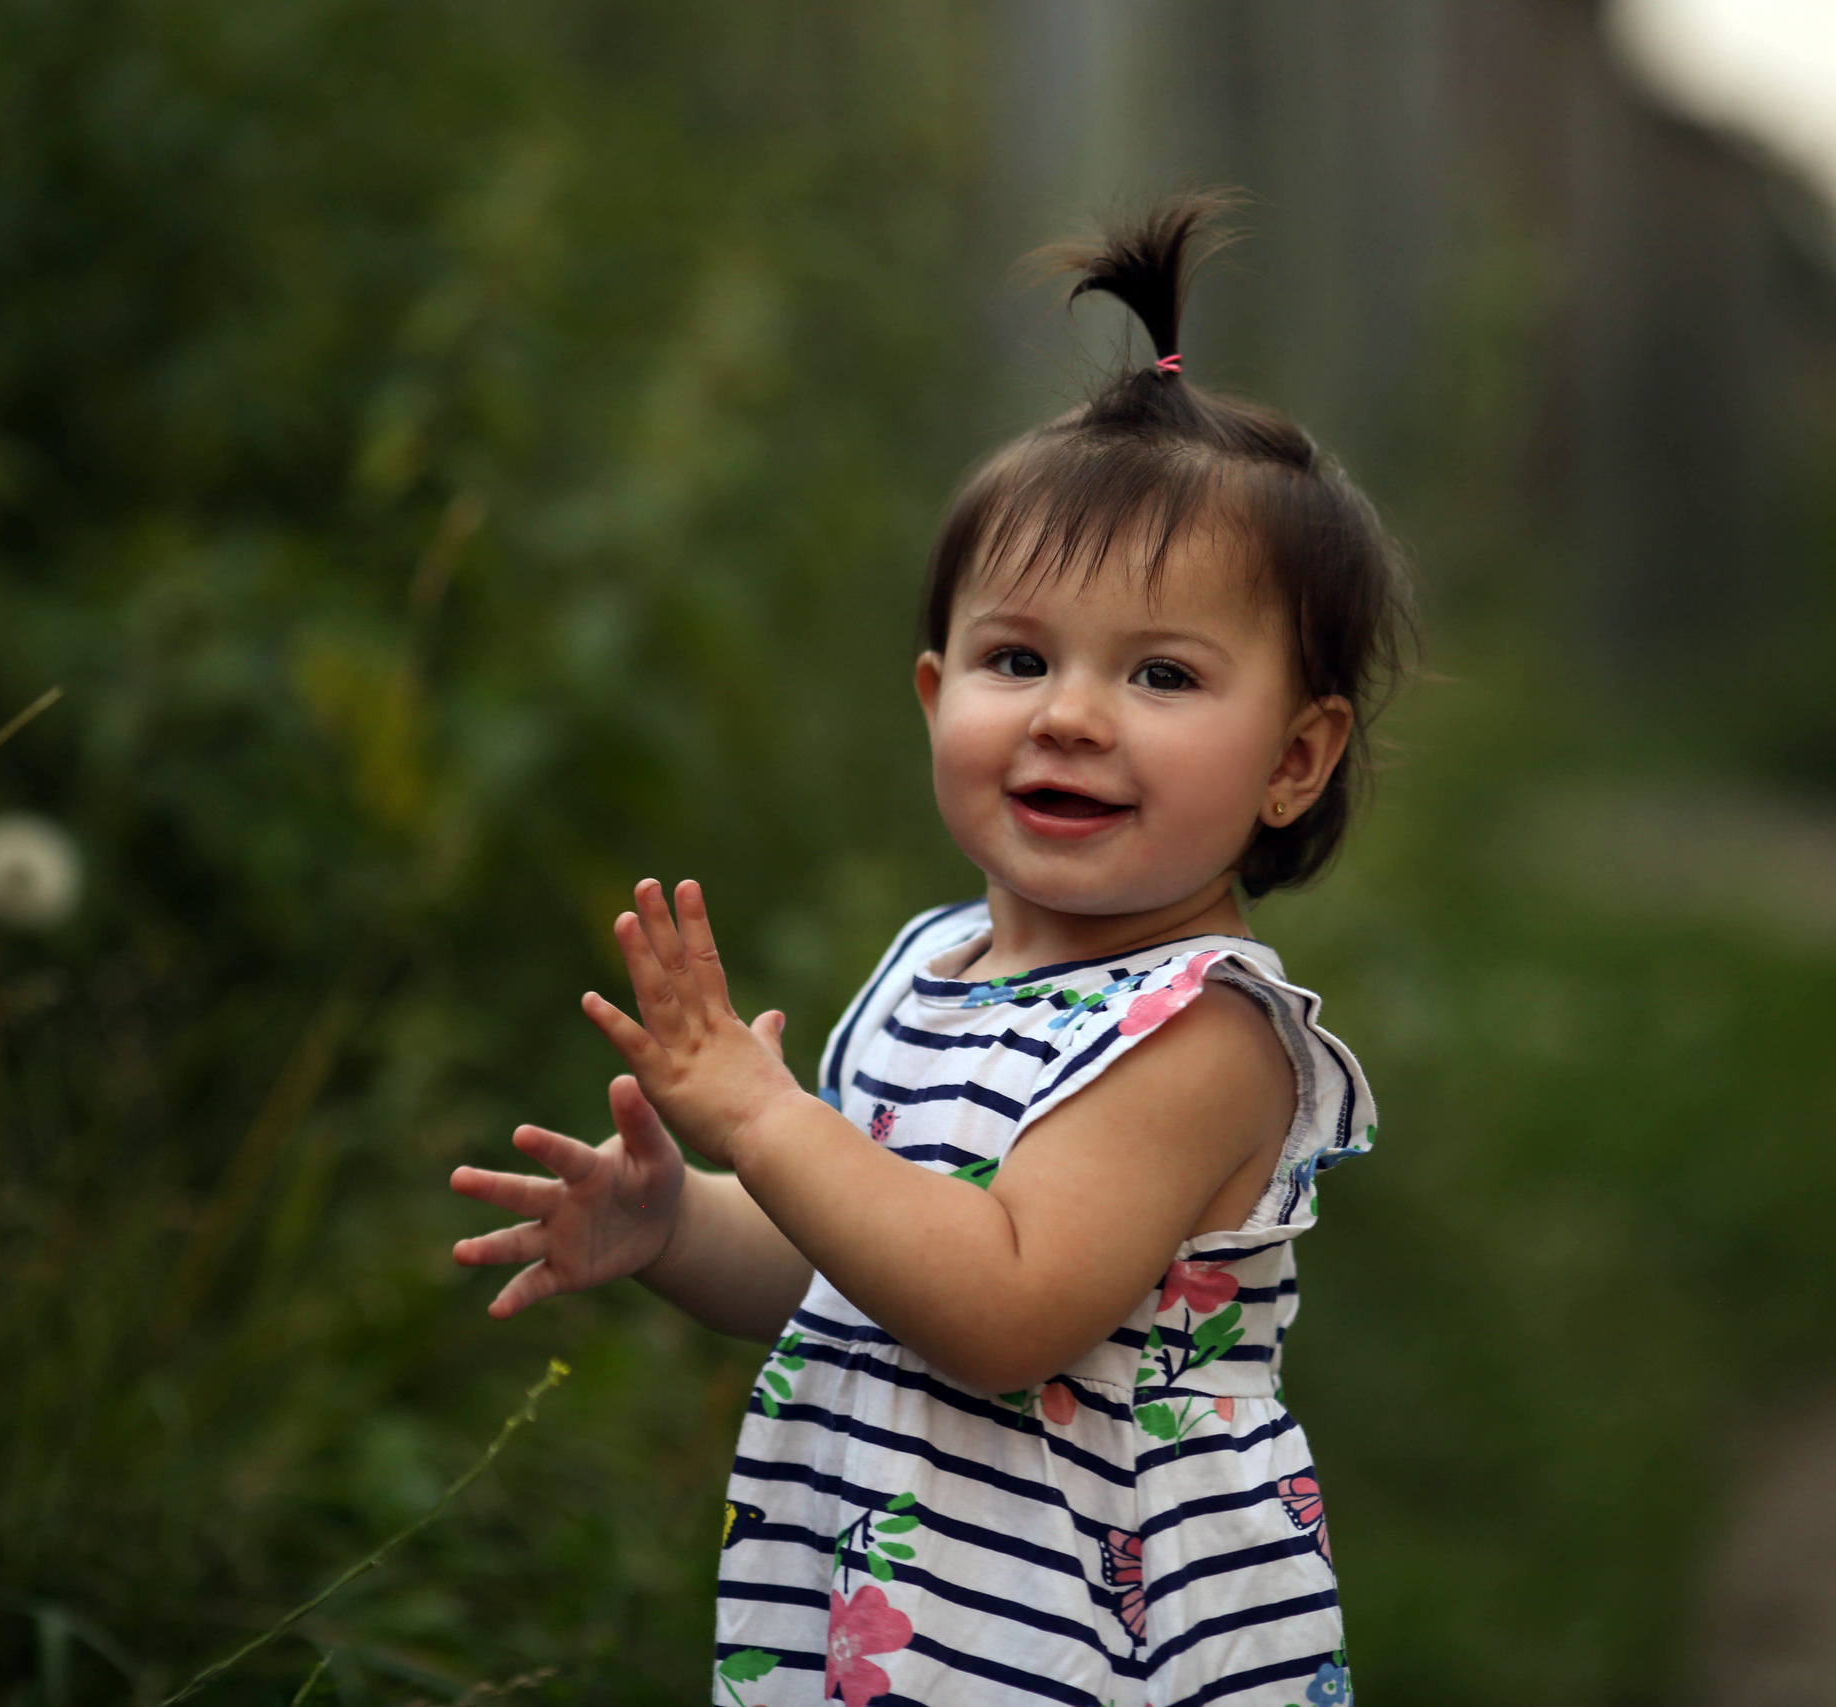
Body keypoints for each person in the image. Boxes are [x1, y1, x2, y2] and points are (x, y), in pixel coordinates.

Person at [448, 192, 1410, 1707]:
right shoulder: (933, 966)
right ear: (933, 694)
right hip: (911, 1631)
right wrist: (682, 1225)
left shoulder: (1199, 1034)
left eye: (1163, 676)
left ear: (1296, 758)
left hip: (1091, 1647)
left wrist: (768, 1119)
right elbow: (857, 1262)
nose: (1070, 715)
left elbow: (999, 1308)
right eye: (1016, 658)